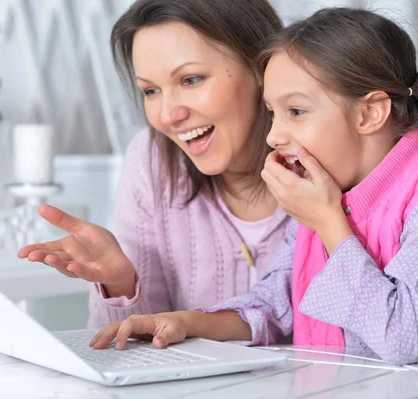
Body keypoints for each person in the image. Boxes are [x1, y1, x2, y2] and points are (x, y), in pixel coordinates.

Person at [89, 8, 418, 366]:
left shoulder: (348, 205)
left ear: (369, 113)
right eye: (272, 113)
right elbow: (274, 304)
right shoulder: (321, 193)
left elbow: (403, 339)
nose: (274, 136)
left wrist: (329, 223)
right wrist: (187, 321)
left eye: (296, 111)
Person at [18, 0, 289, 327]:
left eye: (191, 79)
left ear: (261, 67)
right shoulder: (152, 162)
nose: (168, 115)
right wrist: (120, 285)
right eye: (150, 91)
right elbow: (127, 348)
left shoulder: (331, 158)